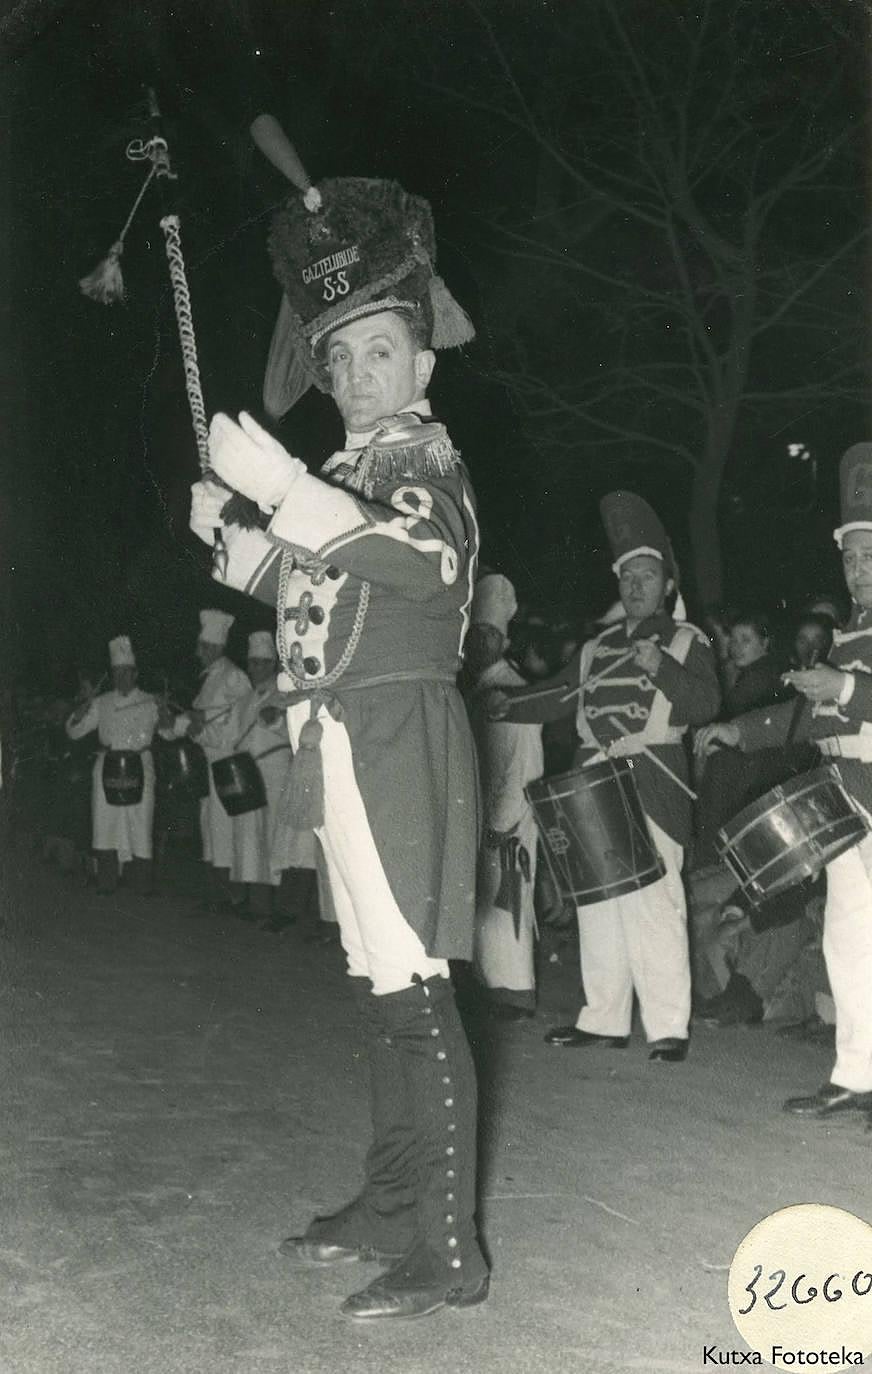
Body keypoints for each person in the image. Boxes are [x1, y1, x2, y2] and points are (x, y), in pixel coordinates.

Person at [188, 174, 487, 1319]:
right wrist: (236, 534)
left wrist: (277, 484)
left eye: (377, 353)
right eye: (341, 359)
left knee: (413, 982)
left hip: (397, 729)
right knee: (375, 983)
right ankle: (390, 1200)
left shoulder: (425, 463)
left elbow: (415, 569)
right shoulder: (354, 477)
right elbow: (314, 587)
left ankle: (450, 1251)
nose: (356, 377)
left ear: (421, 364)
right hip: (334, 735)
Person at [489, 492, 720, 1063]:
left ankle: (668, 1026)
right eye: (627, 577)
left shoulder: (688, 641)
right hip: (594, 782)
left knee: (656, 905)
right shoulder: (598, 647)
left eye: (648, 576)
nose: (636, 586)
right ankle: (604, 1018)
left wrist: (661, 666)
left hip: (654, 780)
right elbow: (558, 696)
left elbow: (706, 706)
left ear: (668, 584)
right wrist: (505, 705)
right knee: (597, 904)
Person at [696, 442, 872, 1122]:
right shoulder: (848, 635)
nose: (858, 572)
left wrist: (848, 687)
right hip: (850, 802)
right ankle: (855, 1073)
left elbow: (846, 695)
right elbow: (807, 712)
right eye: (851, 559)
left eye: (869, 558)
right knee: (847, 937)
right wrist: (744, 730)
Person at [466, 573, 543, 1020]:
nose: (477, 645)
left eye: (485, 636)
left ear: (498, 639)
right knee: (485, 905)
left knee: (508, 900)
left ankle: (515, 991)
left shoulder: (512, 690)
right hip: (486, 814)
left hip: (509, 817)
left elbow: (523, 767)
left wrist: (501, 823)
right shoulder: (480, 689)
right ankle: (491, 985)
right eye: (472, 636)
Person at [162, 610, 251, 912]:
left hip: (229, 764)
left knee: (226, 830)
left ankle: (235, 898)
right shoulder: (209, 678)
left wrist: (203, 730)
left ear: (215, 647)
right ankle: (219, 895)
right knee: (211, 831)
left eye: (202, 646)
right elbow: (191, 723)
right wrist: (168, 724)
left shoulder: (234, 676)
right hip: (208, 766)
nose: (197, 652)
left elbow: (242, 724)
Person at [229, 630, 317, 930]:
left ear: (273, 665)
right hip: (247, 771)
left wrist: (276, 720)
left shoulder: (283, 694)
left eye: (263, 664)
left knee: (273, 837)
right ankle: (257, 903)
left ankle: (279, 908)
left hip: (276, 769)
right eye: (252, 663)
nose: (256, 669)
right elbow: (231, 735)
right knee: (249, 838)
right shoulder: (244, 700)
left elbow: (293, 730)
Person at [66, 636, 158, 895]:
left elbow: (172, 731)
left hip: (139, 765)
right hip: (108, 767)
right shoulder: (102, 702)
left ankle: (142, 885)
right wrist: (80, 712)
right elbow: (74, 732)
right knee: (105, 824)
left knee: (140, 823)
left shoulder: (150, 701)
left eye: (127, 673)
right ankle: (107, 882)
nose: (122, 678)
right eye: (117, 673)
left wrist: (167, 716)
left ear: (135, 674)